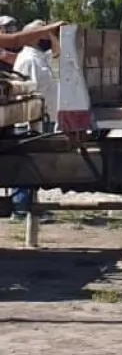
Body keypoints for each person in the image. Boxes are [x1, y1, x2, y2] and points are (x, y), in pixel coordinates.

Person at [10, 19, 62, 220]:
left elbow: (57, 52)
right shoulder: (30, 59)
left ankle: (30, 206)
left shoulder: (38, 56)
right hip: (33, 121)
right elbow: (30, 94)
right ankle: (22, 207)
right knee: (28, 165)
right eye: (41, 35)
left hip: (43, 118)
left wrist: (51, 35)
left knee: (35, 166)